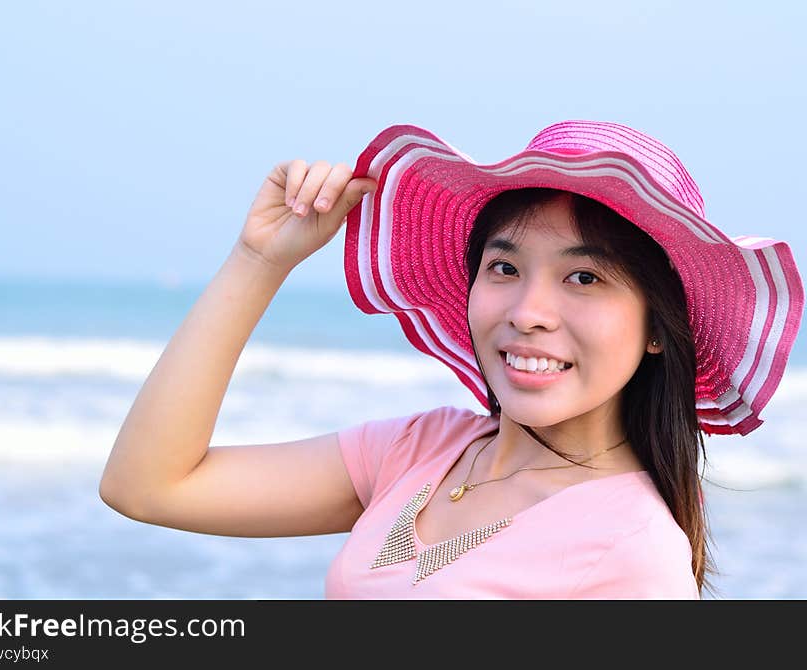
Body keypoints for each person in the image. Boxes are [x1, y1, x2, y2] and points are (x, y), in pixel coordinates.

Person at [99, 120, 804, 599]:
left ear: (658, 327)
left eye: (584, 278)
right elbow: (149, 486)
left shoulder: (632, 549)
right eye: (504, 268)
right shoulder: (421, 450)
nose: (528, 310)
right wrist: (258, 260)